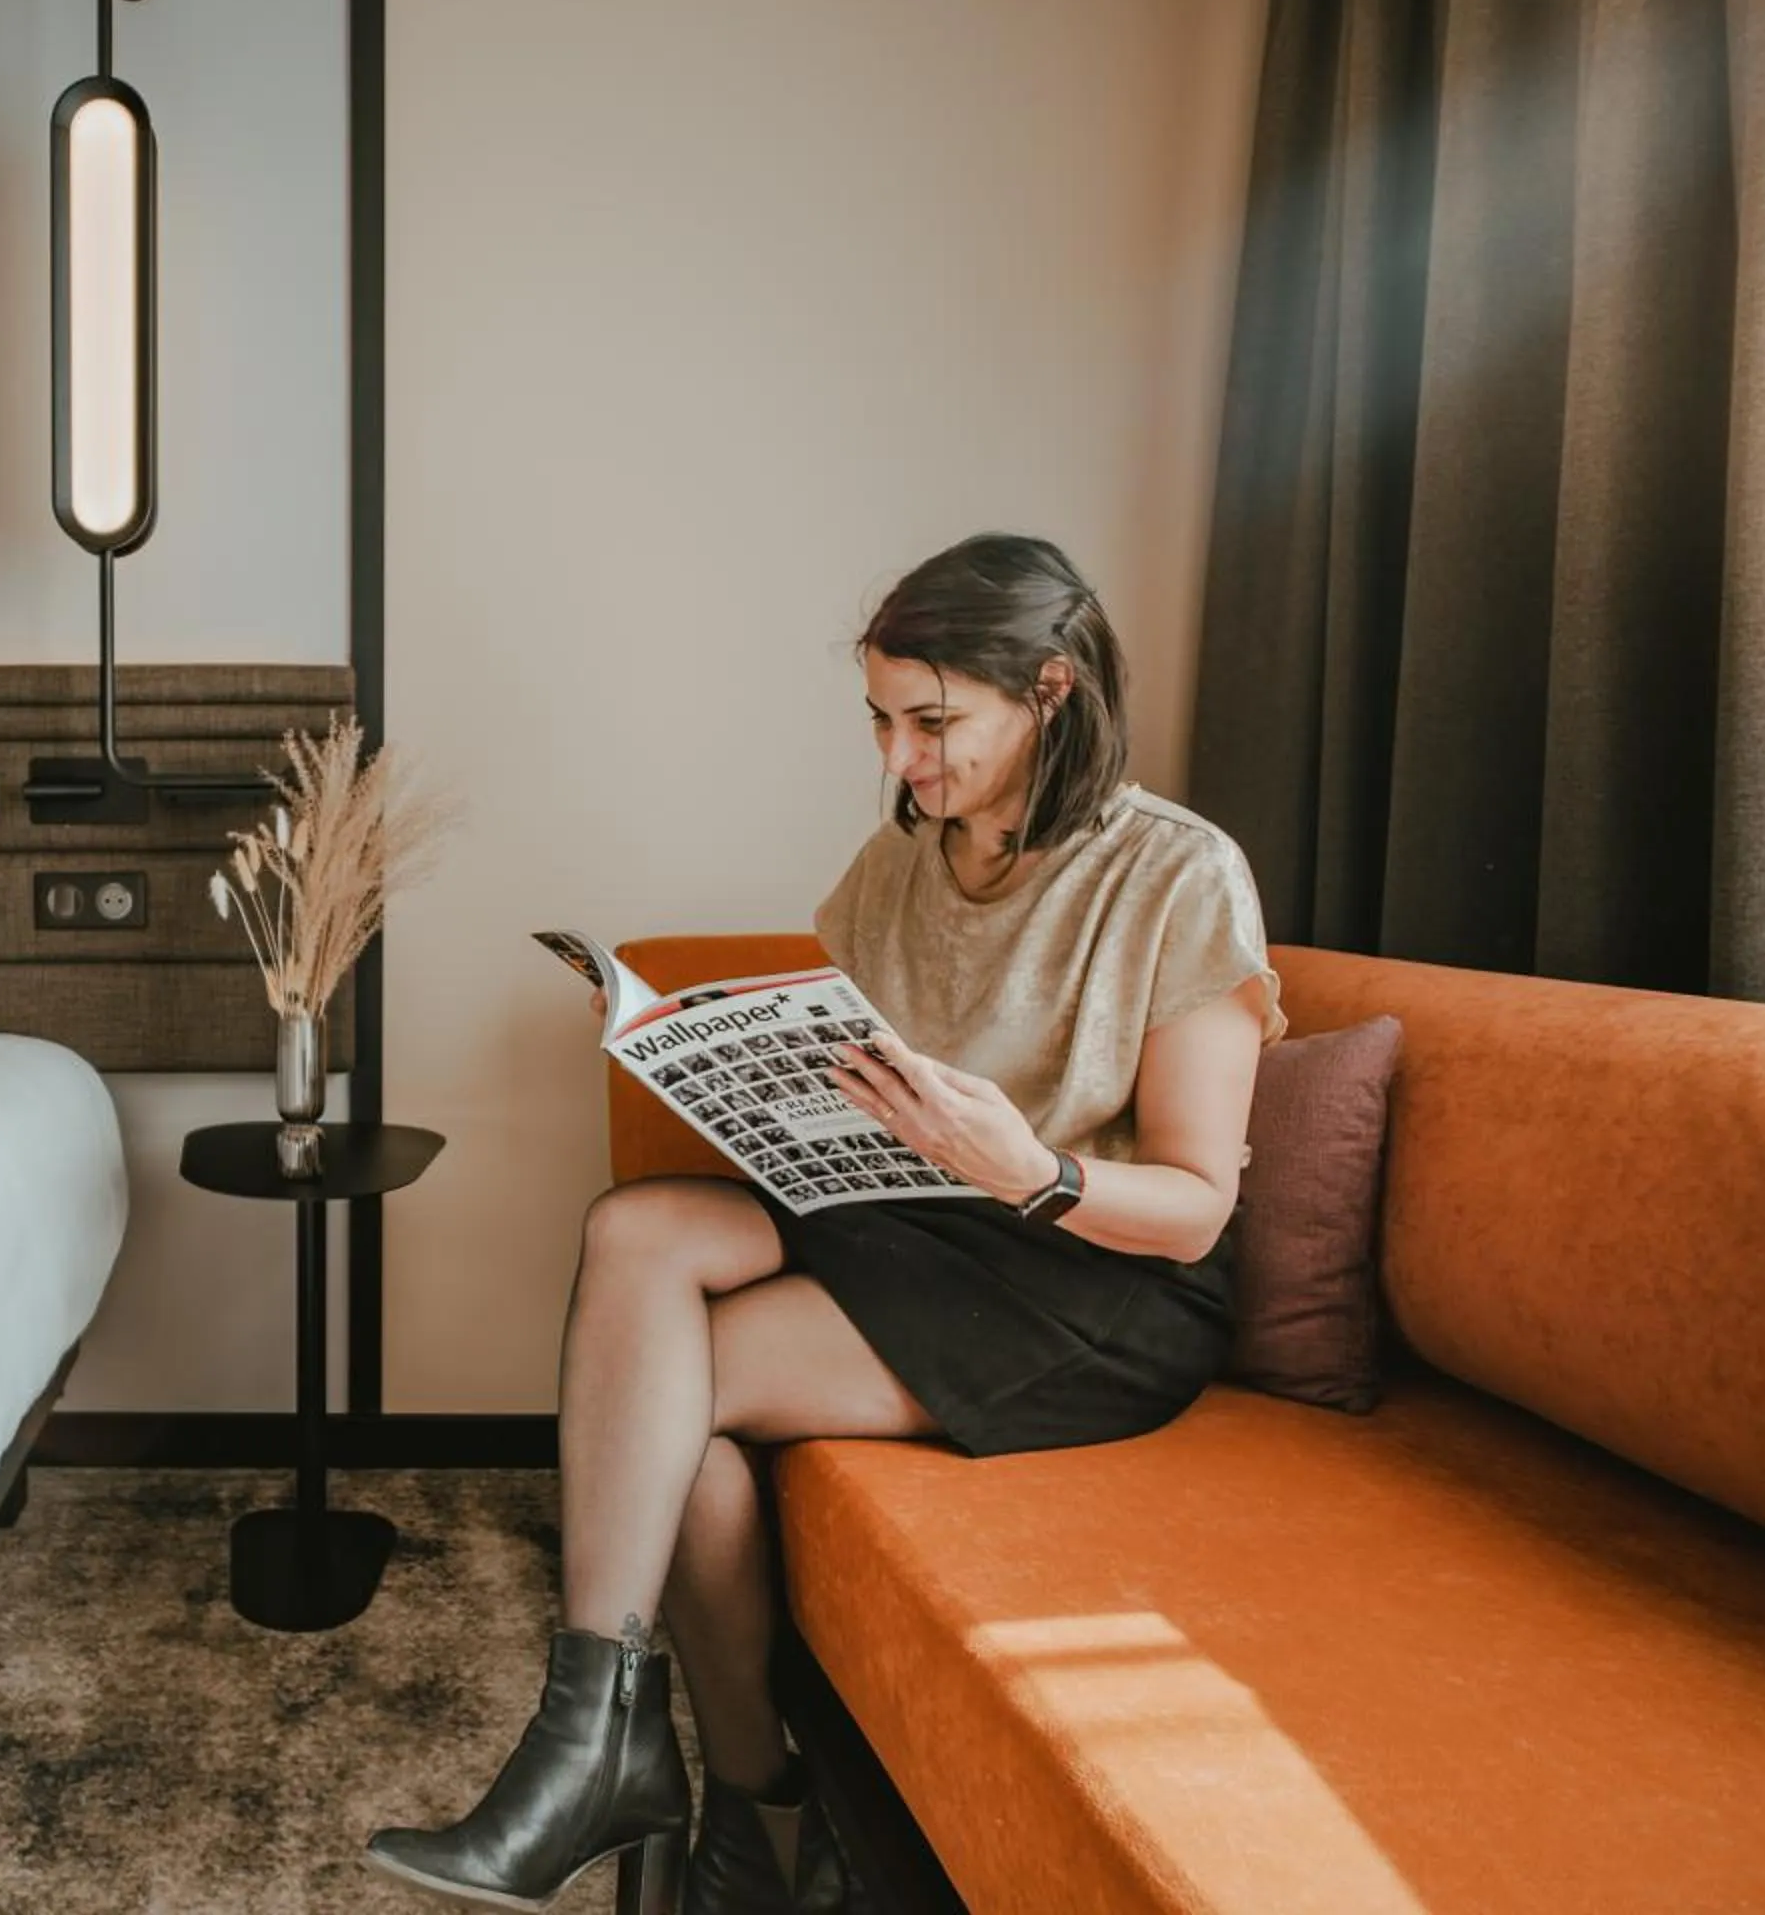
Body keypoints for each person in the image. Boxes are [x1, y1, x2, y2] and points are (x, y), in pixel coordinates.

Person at [362, 534, 1285, 1915]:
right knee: (638, 1235)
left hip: (1090, 1278)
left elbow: (1198, 1211)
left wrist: (1031, 1166)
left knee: (675, 1414)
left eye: (934, 723)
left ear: (1052, 693)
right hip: (915, 1223)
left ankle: (729, 1797)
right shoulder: (901, 861)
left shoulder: (1179, 875)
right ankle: (646, 1766)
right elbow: (851, 1072)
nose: (901, 760)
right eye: (880, 720)